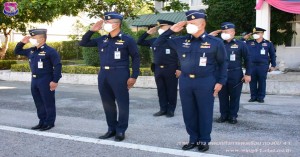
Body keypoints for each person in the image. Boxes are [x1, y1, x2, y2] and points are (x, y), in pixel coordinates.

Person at [153, 10, 228, 152]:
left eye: (193, 23)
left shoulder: (215, 42)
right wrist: (170, 31)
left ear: (203, 24)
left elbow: (223, 63)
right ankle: (193, 139)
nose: (189, 26)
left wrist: (220, 82)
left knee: (205, 112)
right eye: (188, 23)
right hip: (186, 81)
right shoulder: (180, 41)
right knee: (189, 112)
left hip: (206, 81)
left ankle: (204, 140)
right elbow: (158, 44)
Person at [79, 12, 140, 142]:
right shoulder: (102, 39)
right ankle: (111, 128)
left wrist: (134, 76)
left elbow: (135, 57)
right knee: (108, 103)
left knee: (122, 104)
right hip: (103, 75)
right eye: (105, 22)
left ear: (117, 24)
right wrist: (91, 31)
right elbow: (83, 43)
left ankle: (121, 130)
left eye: (108, 22)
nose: (105, 24)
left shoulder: (127, 39)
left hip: (120, 74)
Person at [14, 29, 62, 131]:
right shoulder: (32, 50)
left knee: (48, 102)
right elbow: (17, 51)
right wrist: (22, 42)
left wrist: (55, 81)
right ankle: (42, 121)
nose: (32, 39)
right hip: (34, 80)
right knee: (39, 102)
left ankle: (49, 123)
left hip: (46, 80)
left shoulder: (50, 51)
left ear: (42, 39)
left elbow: (57, 66)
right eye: (31, 38)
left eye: (34, 38)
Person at [137, 19, 181, 117]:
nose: (160, 29)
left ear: (170, 27)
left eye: (162, 26)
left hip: (171, 68)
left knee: (171, 90)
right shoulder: (155, 40)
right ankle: (163, 109)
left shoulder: (175, 40)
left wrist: (179, 68)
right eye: (159, 27)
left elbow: (181, 55)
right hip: (158, 68)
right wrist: (147, 33)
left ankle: (171, 110)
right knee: (161, 90)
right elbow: (139, 42)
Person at [210, 22, 252, 124]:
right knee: (222, 96)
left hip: (235, 73)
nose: (224, 33)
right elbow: (204, 43)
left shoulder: (241, 44)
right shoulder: (218, 43)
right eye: (223, 31)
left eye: (227, 31)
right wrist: (210, 35)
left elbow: (248, 59)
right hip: (220, 74)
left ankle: (233, 116)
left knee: (235, 96)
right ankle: (223, 115)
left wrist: (248, 74)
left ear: (233, 32)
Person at [244, 27, 276, 103]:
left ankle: (261, 97)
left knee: (262, 81)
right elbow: (239, 44)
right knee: (252, 82)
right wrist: (244, 38)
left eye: (257, 33)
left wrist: (273, 65)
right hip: (252, 65)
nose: (255, 35)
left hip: (263, 66)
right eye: (254, 33)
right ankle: (253, 96)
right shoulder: (249, 42)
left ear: (262, 34)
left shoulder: (268, 43)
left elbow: (272, 55)